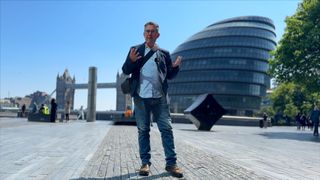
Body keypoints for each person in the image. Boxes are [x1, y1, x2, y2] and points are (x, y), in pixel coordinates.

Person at [122, 21, 183, 178]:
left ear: (157, 35)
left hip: (159, 97)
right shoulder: (135, 50)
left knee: (167, 130)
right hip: (141, 98)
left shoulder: (164, 53)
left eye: (152, 31)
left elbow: (169, 76)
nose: (149, 33)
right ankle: (145, 163)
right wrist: (131, 61)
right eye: (147, 31)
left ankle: (171, 164)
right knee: (143, 130)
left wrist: (175, 68)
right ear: (144, 34)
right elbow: (125, 70)